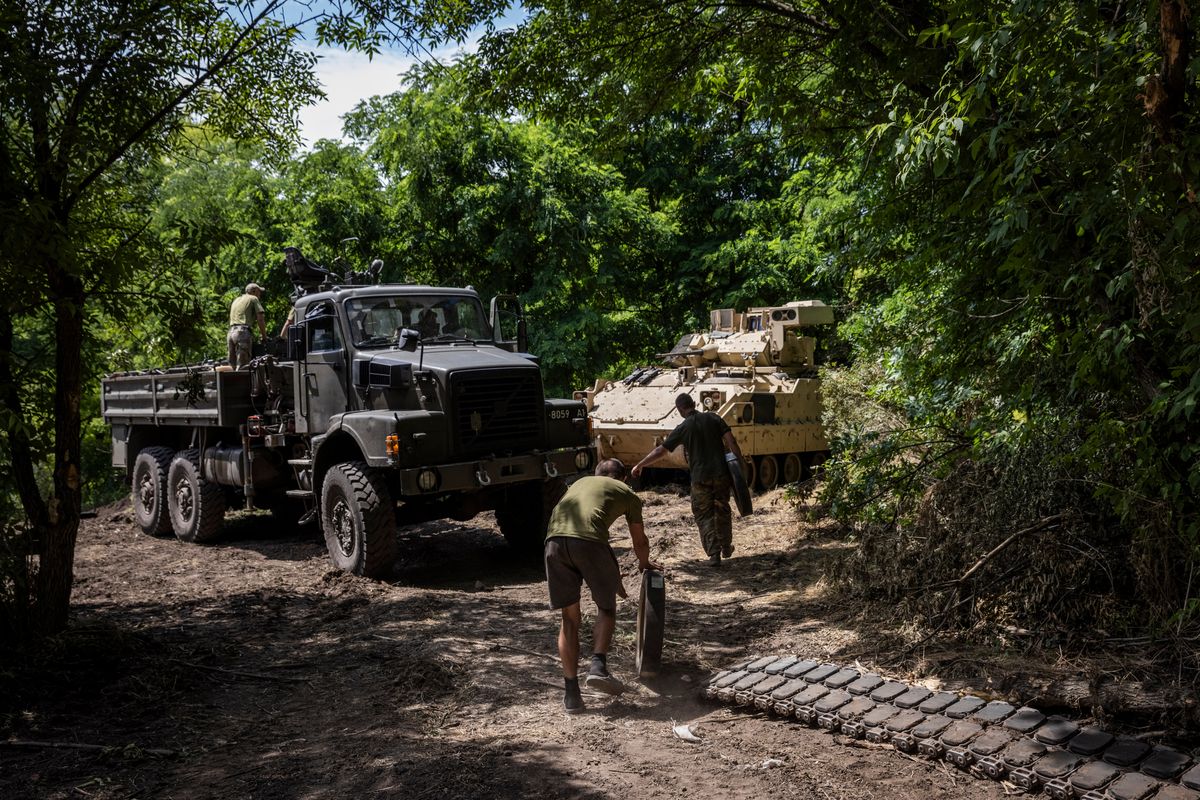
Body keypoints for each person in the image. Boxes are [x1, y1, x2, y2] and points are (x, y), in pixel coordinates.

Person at [544, 458, 662, 714]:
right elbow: (639, 540)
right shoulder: (627, 492)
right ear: (623, 478)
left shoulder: (578, 483)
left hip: (553, 543)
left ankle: (572, 695)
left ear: (596, 473)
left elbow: (577, 527)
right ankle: (598, 666)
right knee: (606, 608)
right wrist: (644, 564)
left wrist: (613, 577)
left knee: (569, 619)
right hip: (589, 543)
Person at [631, 393, 745, 567]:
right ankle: (726, 546)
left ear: (680, 409)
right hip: (722, 474)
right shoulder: (714, 418)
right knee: (722, 508)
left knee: (703, 514)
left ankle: (714, 554)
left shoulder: (684, 427)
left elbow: (661, 451)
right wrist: (740, 466)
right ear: (693, 403)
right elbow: (732, 442)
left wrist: (640, 465)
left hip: (700, 478)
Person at [228, 283, 267, 369]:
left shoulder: (236, 299)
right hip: (242, 333)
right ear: (254, 291)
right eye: (259, 292)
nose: (260, 294)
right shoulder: (253, 298)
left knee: (232, 367)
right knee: (243, 367)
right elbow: (260, 319)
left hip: (231, 333)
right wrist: (264, 337)